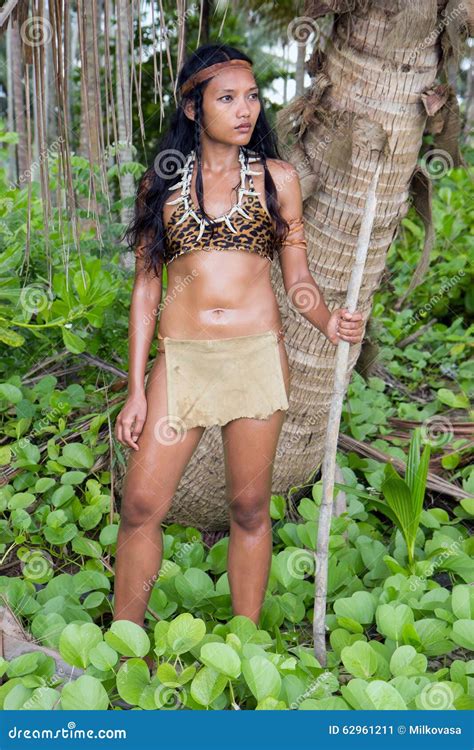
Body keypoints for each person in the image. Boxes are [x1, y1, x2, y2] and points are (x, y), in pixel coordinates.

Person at [113, 44, 364, 632]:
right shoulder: (164, 184)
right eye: (227, 98)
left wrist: (329, 321)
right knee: (142, 506)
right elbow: (147, 292)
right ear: (194, 108)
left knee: (250, 508)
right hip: (182, 364)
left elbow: (297, 281)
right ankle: (128, 643)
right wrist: (135, 389)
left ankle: (245, 642)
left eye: (251, 96)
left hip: (255, 358)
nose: (245, 109)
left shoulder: (277, 180)